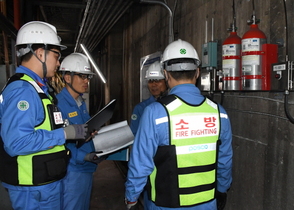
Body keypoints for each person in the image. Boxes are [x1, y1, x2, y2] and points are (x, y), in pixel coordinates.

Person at [125, 39, 233, 210]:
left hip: (165, 204)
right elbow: (224, 160)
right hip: (206, 203)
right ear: (197, 72)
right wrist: (221, 189)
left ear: (166, 74)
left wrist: (131, 197)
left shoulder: (156, 113)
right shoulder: (219, 113)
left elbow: (140, 163)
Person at [0, 21, 88, 210]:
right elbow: (17, 142)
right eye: (56, 55)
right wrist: (64, 134)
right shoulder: (23, 91)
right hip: (33, 190)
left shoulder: (37, 88)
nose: (58, 63)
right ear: (40, 53)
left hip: (43, 183)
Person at [56, 52, 102, 210]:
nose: (86, 81)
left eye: (88, 77)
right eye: (82, 76)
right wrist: (85, 156)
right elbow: (58, 143)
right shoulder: (58, 105)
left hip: (86, 169)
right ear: (67, 78)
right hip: (72, 171)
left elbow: (84, 131)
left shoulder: (80, 102)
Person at [130, 61, 168, 135]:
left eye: (157, 80)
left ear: (166, 81)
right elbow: (134, 134)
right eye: (150, 81)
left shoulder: (174, 104)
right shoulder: (140, 108)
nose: (153, 85)